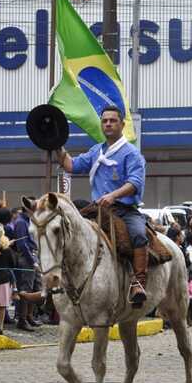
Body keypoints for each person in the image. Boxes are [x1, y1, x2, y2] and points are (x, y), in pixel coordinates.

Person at [55, 105, 149, 307]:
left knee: (139, 235)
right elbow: (71, 165)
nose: (108, 124)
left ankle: (138, 284)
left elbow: (135, 183)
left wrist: (113, 196)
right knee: (67, 230)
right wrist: (56, 144)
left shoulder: (131, 153)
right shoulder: (96, 151)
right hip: (98, 210)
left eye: (113, 120)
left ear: (122, 124)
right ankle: (57, 281)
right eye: (105, 120)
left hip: (124, 210)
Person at [8, 202, 41, 331]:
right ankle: (22, 319)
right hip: (26, 258)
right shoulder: (21, 222)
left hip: (32, 255)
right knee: (25, 289)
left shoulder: (29, 221)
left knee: (34, 288)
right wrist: (32, 261)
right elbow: (22, 243)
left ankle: (29, 316)